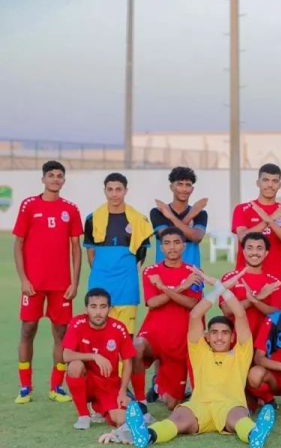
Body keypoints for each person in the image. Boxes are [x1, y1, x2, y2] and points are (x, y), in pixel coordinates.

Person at [124, 269, 276, 448]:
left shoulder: (241, 353)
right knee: (178, 418)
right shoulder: (200, 350)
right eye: (214, 332)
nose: (219, 337)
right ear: (207, 337)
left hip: (229, 405)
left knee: (238, 418)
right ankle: (147, 435)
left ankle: (254, 434)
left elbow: (241, 315)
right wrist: (217, 290)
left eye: (225, 333)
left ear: (232, 337)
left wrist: (224, 289)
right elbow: (195, 314)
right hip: (199, 405)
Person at [14, 160, 83, 404]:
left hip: (61, 284)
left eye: (59, 175)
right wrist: (24, 279)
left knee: (61, 333)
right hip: (33, 283)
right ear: (43, 179)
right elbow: (18, 244)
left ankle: (56, 387)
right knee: (28, 329)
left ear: (64, 180)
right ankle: (25, 387)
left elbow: (76, 248)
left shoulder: (70, 209)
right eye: (51, 175)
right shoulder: (29, 205)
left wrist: (74, 282)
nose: (55, 179)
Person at [132, 227, 202, 413]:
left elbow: (192, 303)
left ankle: (160, 385)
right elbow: (153, 303)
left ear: (184, 246)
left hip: (178, 342)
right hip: (153, 335)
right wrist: (181, 287)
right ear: (161, 247)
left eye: (177, 242)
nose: (172, 247)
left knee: (172, 404)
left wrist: (164, 288)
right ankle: (140, 401)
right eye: (167, 243)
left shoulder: (195, 272)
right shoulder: (150, 271)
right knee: (136, 346)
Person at [84, 173, 153, 335]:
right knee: (98, 335)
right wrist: (103, 271)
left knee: (126, 336)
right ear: (104, 191)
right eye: (110, 189)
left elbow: (141, 256)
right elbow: (91, 254)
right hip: (100, 284)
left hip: (126, 286)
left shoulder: (139, 220)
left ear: (125, 191)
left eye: (118, 189)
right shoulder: (92, 219)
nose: (114, 194)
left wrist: (125, 271)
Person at [62, 288, 134, 430]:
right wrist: (94, 356)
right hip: (87, 381)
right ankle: (84, 416)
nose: (98, 312)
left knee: (121, 420)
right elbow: (66, 355)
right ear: (86, 309)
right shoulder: (77, 323)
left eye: (103, 307)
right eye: (93, 307)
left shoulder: (119, 328)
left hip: (108, 384)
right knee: (75, 365)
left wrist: (122, 391)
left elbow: (128, 362)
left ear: (109, 309)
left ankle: (99, 407)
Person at [231, 163, 281, 282]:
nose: (270, 185)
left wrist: (270, 220)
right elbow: (243, 237)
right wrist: (271, 218)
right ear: (258, 183)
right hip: (245, 277)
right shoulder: (242, 209)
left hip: (275, 279)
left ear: (280, 185)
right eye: (265, 180)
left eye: (275, 181)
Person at [220, 233, 281, 338]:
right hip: (235, 341)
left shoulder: (274, 282)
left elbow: (277, 314)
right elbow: (227, 310)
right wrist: (257, 297)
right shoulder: (229, 278)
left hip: (264, 341)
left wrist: (254, 300)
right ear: (243, 251)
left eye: (259, 248)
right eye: (250, 248)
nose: (254, 252)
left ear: (266, 253)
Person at [150, 166, 208, 267]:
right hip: (164, 273)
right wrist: (190, 216)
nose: (184, 189)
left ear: (192, 189)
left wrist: (171, 217)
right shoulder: (158, 212)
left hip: (192, 273)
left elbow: (196, 237)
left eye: (188, 185)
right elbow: (168, 237)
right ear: (171, 187)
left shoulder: (200, 213)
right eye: (180, 184)